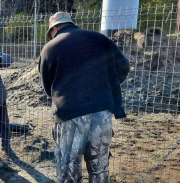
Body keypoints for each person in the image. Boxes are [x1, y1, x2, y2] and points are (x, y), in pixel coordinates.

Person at [38, 12, 130, 183]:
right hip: (101, 111)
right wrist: (104, 87)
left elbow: (47, 86)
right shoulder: (101, 39)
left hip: (69, 115)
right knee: (100, 168)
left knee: (68, 170)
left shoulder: (50, 48)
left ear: (55, 28)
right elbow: (123, 67)